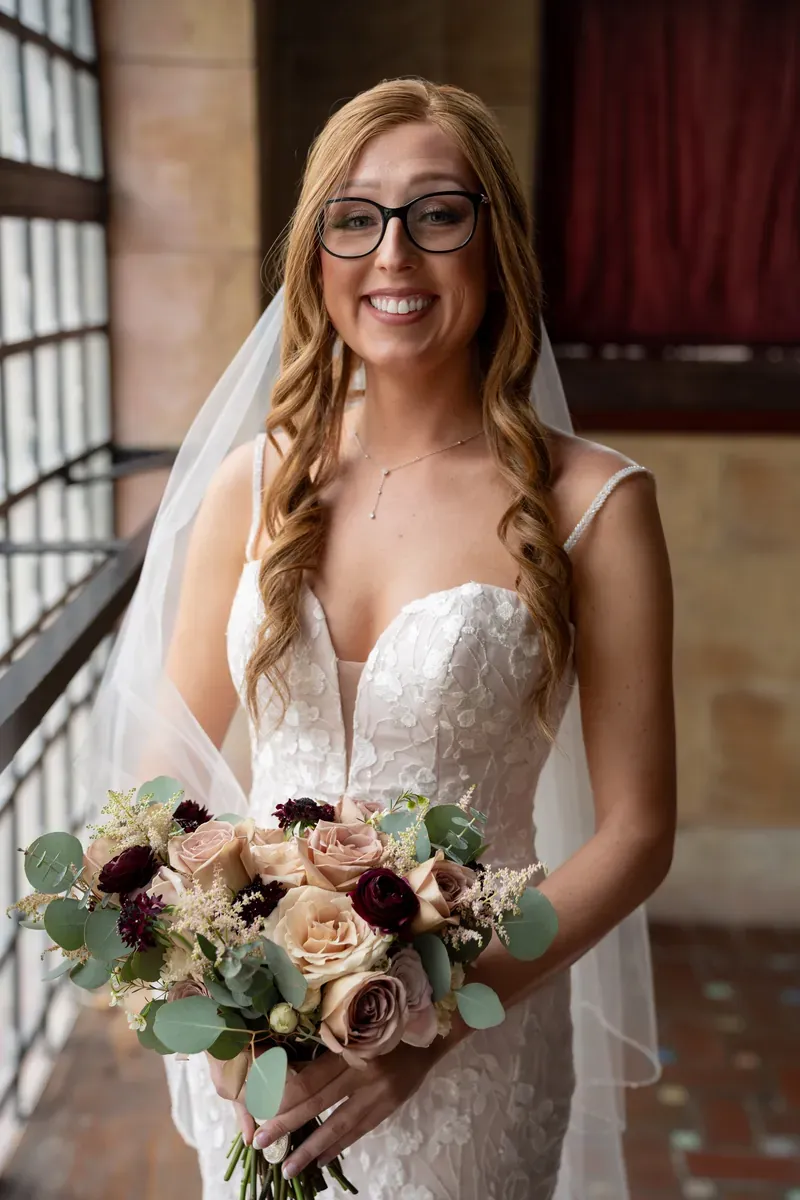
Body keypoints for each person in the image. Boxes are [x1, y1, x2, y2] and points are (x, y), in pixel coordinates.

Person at [86, 78, 675, 1199]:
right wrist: (207, 983)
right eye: (353, 219)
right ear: (317, 255)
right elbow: (172, 760)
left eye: (435, 213)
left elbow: (637, 831)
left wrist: (428, 1024)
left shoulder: (595, 504)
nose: (392, 255)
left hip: (475, 1041)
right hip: (266, 1045)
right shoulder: (250, 485)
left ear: (492, 242)